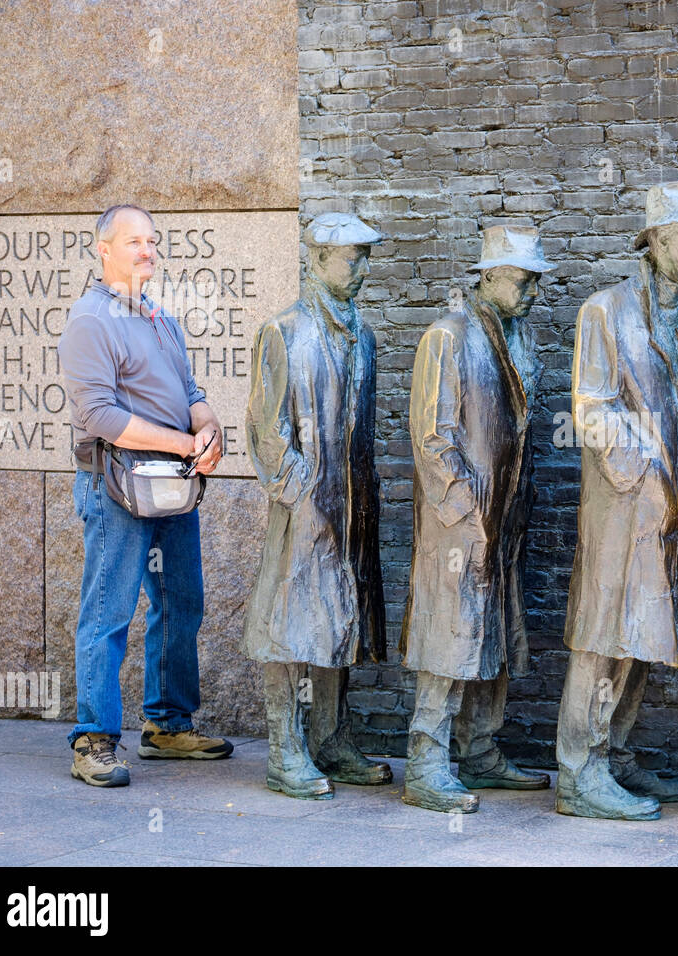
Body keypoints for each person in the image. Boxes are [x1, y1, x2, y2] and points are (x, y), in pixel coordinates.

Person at [555, 182, 678, 821]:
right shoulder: (606, 310)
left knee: (642, 632)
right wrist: (646, 471)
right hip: (622, 501)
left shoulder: (676, 312)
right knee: (605, 634)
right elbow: (591, 407)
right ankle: (579, 771)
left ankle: (616, 753)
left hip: (658, 508)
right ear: (657, 240)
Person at [59, 204, 231, 788]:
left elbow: (190, 389)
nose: (148, 251)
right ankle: (94, 740)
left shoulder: (159, 316)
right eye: (135, 241)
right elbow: (101, 415)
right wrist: (186, 442)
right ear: (103, 248)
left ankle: (167, 726)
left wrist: (208, 430)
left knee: (182, 602)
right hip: (116, 486)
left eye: (152, 241)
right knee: (108, 612)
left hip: (172, 486)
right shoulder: (91, 319)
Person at [400, 225, 555, 812]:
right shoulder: (448, 336)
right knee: (450, 637)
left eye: (535, 280)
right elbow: (433, 438)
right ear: (488, 276)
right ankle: (426, 761)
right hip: (460, 527)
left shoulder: (519, 339)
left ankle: (481, 750)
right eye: (521, 279)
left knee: (493, 636)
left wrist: (509, 514)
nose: (531, 291)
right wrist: (468, 512)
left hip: (503, 519)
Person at [242, 212, 393, 799]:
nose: (357, 268)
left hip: (353, 502)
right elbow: (264, 424)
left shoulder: (366, 335)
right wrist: (298, 490)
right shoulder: (285, 331)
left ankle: (331, 739)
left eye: (363, 257)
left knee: (340, 616)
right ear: (314, 259)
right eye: (345, 256)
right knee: (290, 623)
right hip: (306, 506)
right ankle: (286, 748)